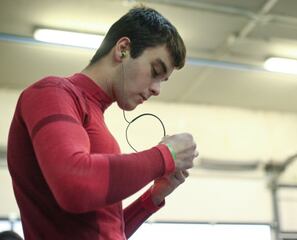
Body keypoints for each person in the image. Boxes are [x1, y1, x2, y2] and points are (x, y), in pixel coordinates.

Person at [7, 5, 198, 240]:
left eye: (163, 80)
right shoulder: (53, 93)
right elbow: (75, 185)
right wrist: (165, 156)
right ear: (124, 49)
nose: (157, 89)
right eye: (155, 70)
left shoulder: (94, 117)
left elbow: (103, 233)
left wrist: (154, 197)